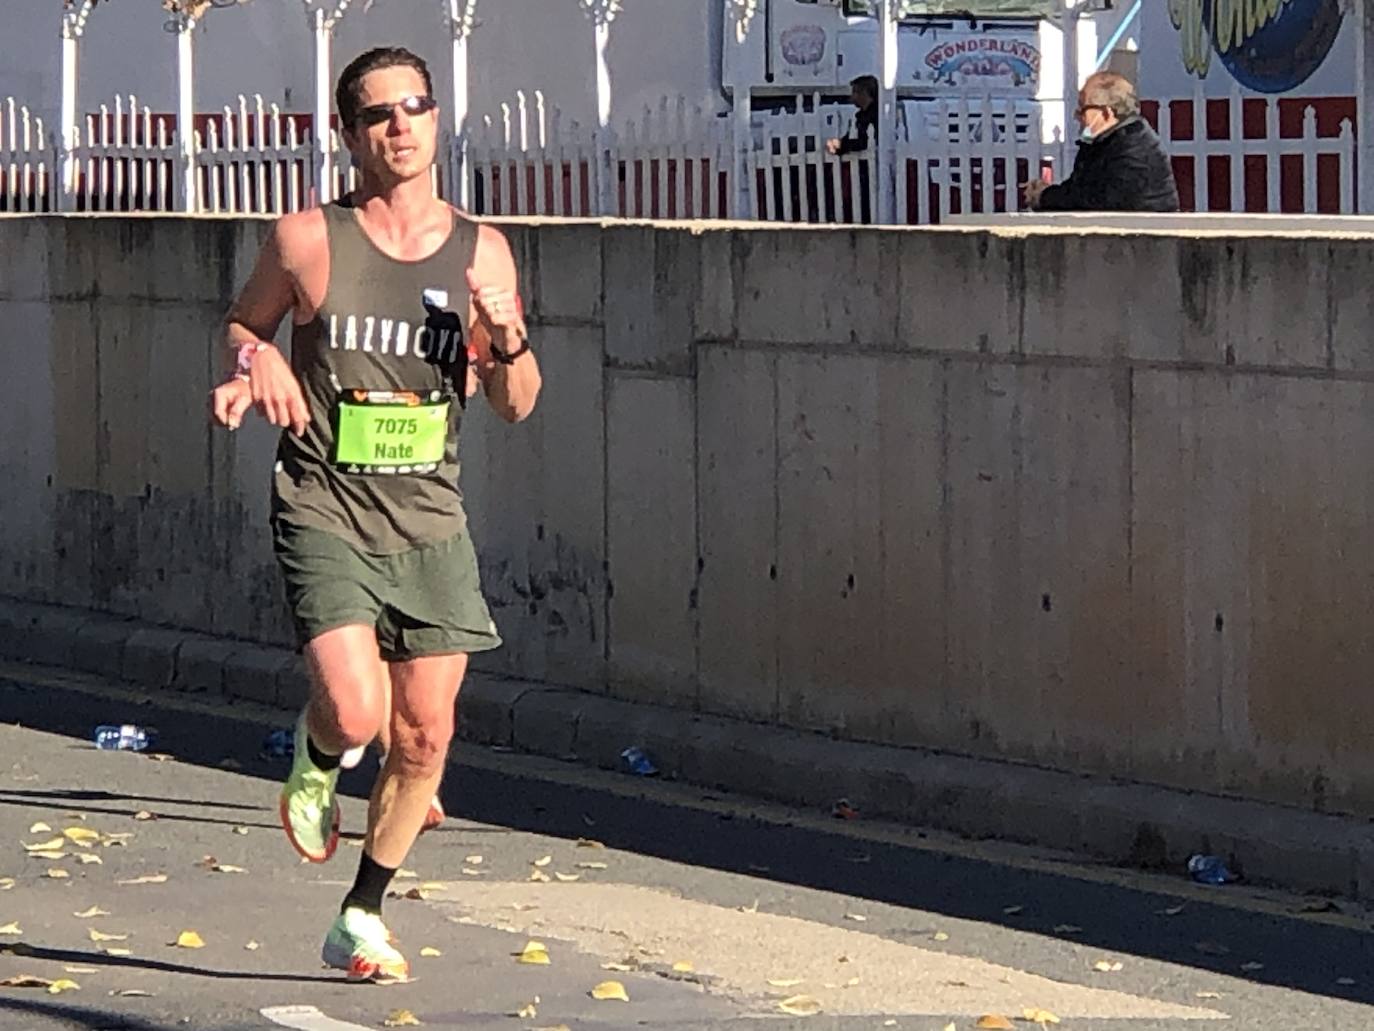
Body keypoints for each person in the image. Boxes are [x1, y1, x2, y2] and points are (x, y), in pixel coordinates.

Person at [210, 46, 541, 983]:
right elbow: (244, 327)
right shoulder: (310, 238)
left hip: (430, 516)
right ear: (350, 135)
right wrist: (254, 364)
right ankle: (319, 752)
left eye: (416, 108)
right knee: (360, 709)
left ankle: (360, 910)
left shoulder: (482, 250)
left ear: (438, 120)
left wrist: (507, 332)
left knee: (426, 735)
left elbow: (516, 399)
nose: (401, 126)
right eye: (379, 114)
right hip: (324, 499)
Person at [1022, 71, 1180, 213]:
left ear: (1106, 113)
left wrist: (1044, 197)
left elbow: (1096, 199)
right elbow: (1079, 190)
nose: (1077, 116)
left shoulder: (1133, 146)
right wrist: (1046, 194)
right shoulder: (1105, 143)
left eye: (1083, 109)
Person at [826, 75, 879, 157]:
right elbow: (853, 136)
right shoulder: (860, 116)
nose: (852, 97)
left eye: (855, 92)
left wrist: (841, 145)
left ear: (865, 93)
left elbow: (864, 141)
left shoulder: (875, 116)